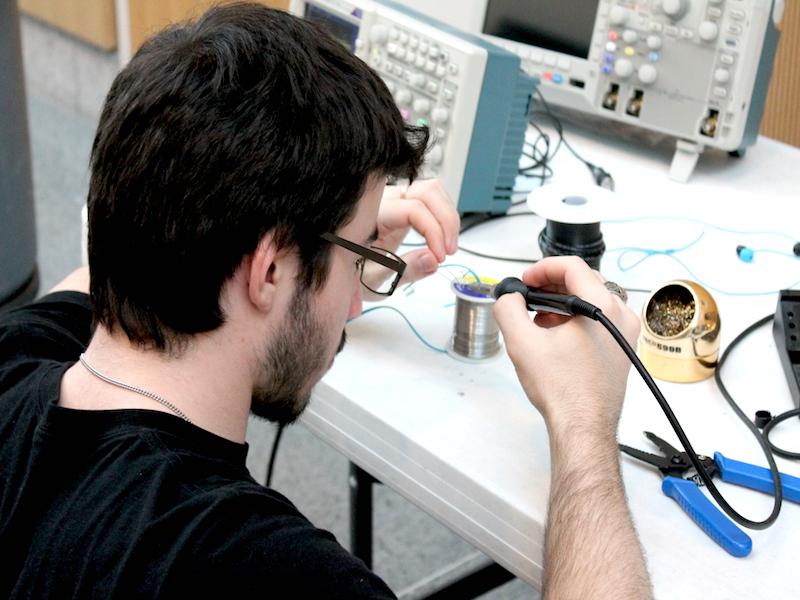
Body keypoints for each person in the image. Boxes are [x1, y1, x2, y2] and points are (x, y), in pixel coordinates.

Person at [0, 3, 651, 598]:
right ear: (270, 271)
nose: (352, 308)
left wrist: (338, 238)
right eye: (359, 258)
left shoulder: (16, 359)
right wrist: (584, 423)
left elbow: (113, 253)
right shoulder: (253, 567)